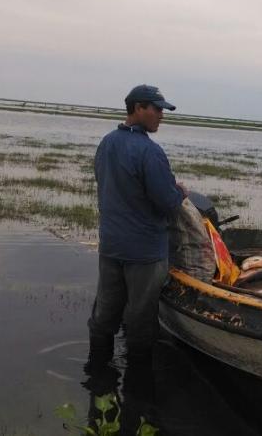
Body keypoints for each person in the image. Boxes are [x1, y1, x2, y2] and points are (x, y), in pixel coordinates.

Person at [86, 84, 186, 371]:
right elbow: (167, 202)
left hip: (111, 246)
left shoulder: (107, 143)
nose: (161, 115)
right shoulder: (149, 151)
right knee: (140, 321)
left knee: (104, 314)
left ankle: (96, 375)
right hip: (144, 253)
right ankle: (138, 385)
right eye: (157, 109)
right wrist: (180, 192)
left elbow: (107, 184)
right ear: (139, 108)